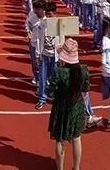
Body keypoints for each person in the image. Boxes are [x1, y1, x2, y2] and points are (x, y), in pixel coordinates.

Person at [47, 38, 89, 170]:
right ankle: (76, 168)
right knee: (77, 138)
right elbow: (86, 88)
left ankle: (60, 168)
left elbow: (50, 92)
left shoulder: (59, 72)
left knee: (60, 139)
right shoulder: (83, 70)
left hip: (61, 108)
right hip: (77, 107)